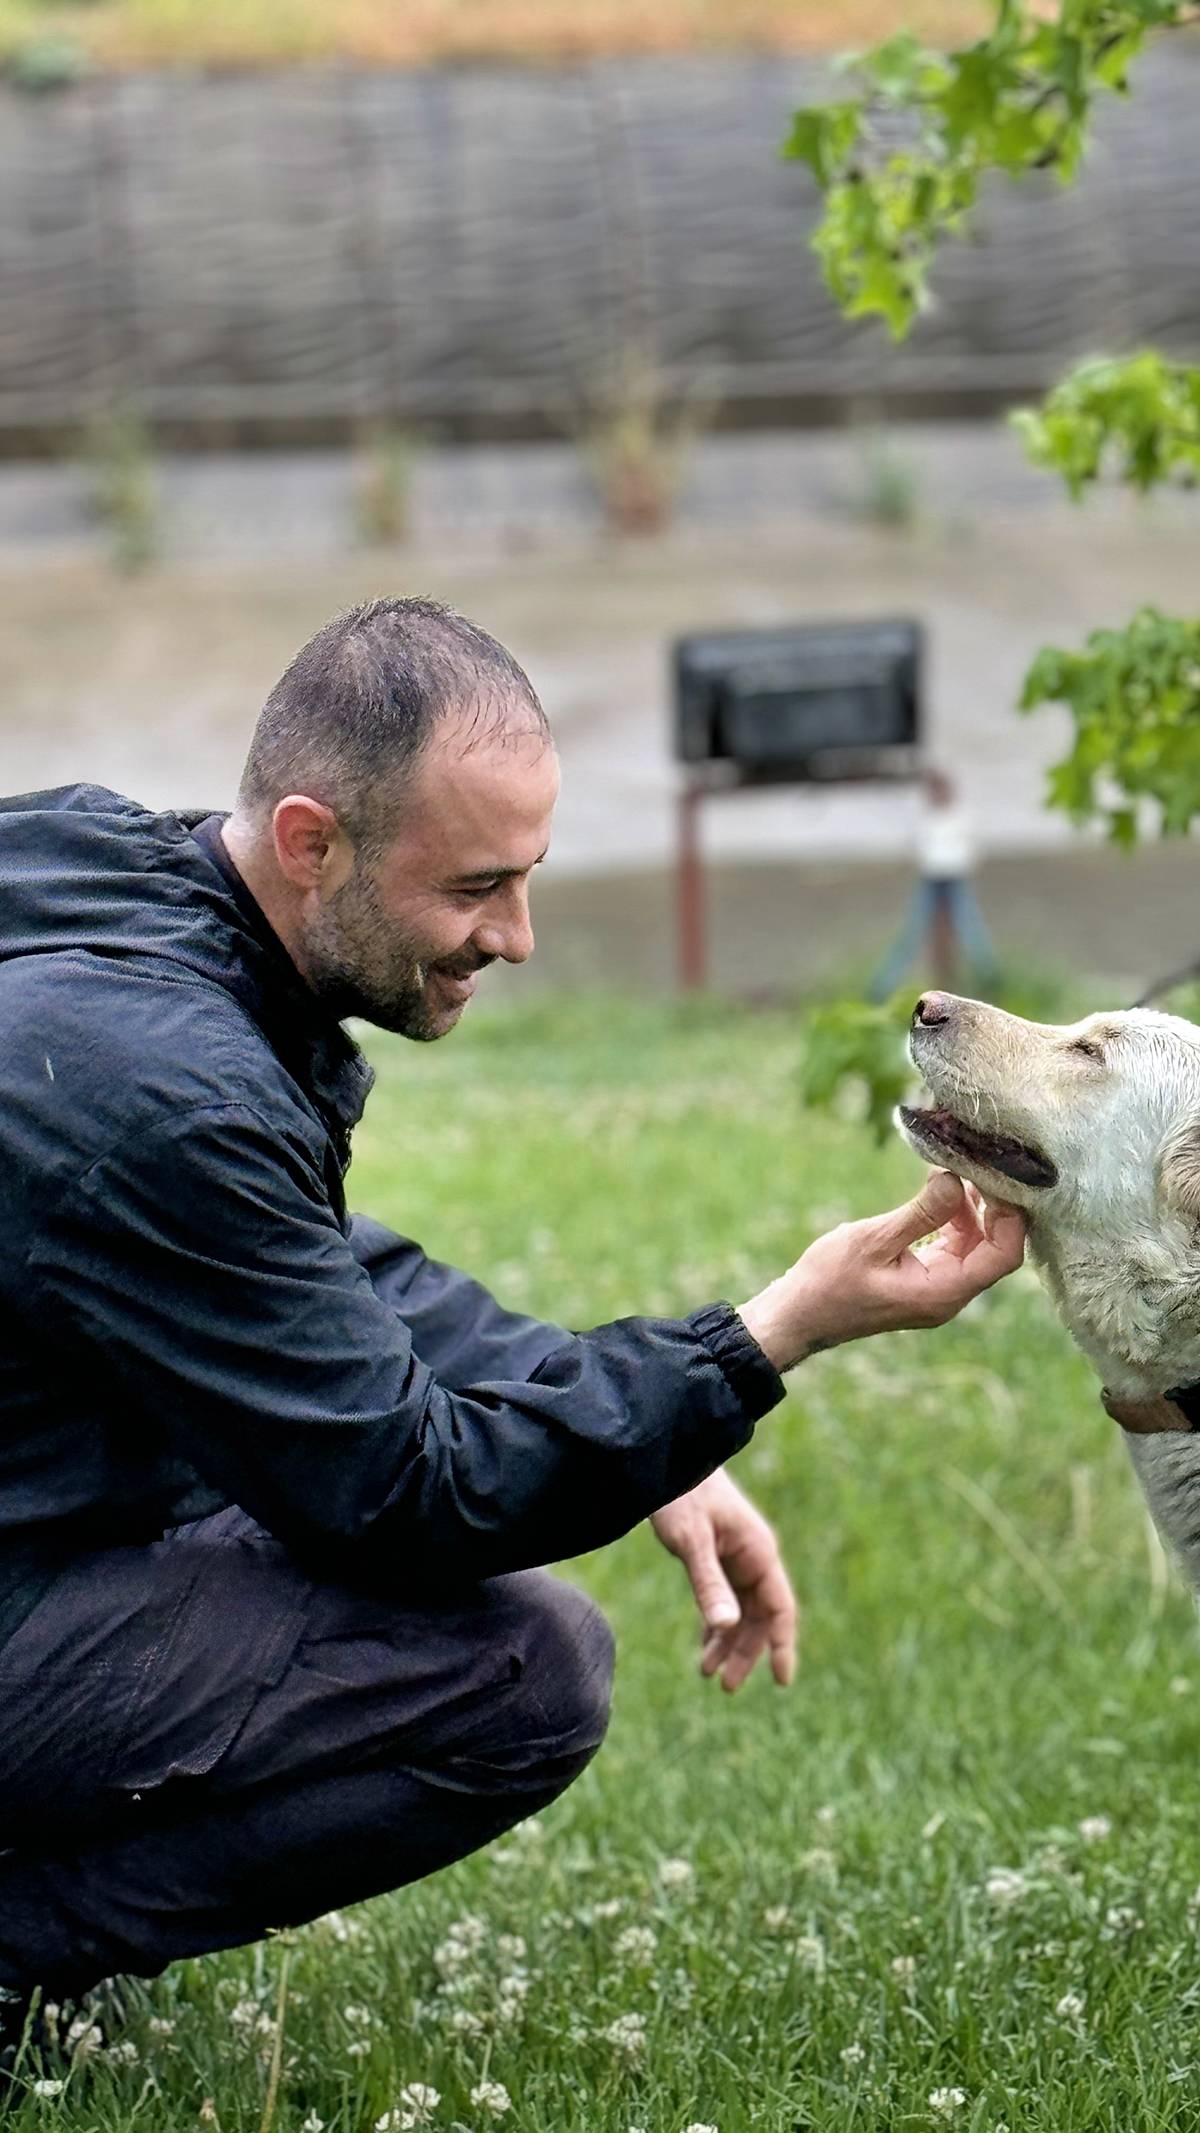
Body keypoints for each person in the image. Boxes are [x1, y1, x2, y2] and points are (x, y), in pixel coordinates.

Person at [0, 599, 1025, 2047]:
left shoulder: (91, 867)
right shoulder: (158, 1085)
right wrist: (766, 1335)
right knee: (519, 1676)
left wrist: (616, 1407)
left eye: (529, 877)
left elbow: (300, 1260)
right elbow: (413, 1496)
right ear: (312, 842)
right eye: (477, 887)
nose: (519, 936)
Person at [868, 766, 999, 1003]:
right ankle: (881, 987)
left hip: (955, 877)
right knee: (914, 931)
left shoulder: (961, 816)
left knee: (970, 928)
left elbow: (971, 849)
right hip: (932, 878)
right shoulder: (926, 818)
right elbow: (919, 848)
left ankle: (990, 978)